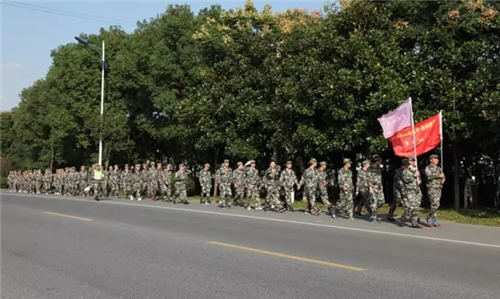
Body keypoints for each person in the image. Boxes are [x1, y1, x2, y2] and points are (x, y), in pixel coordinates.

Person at [401, 157, 422, 228]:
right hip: (410, 190)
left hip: (417, 190)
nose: (415, 162)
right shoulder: (406, 170)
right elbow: (405, 179)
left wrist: (419, 180)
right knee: (411, 207)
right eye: (413, 161)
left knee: (417, 207)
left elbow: (419, 180)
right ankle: (403, 218)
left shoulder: (416, 170)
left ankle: (414, 223)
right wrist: (414, 175)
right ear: (410, 162)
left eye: (415, 161)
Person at [425, 154, 445, 227]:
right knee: (435, 204)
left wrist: (443, 179)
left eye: (437, 159)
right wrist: (437, 176)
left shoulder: (439, 168)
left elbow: (443, 176)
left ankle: (433, 220)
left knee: (437, 204)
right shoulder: (428, 168)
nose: (437, 160)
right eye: (435, 158)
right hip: (432, 188)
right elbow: (428, 176)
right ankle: (429, 218)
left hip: (438, 188)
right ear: (431, 160)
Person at [367, 155, 385, 222]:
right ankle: (374, 216)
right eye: (379, 160)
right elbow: (368, 179)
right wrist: (370, 188)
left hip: (379, 188)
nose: (380, 161)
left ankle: (374, 211)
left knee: (381, 201)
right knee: (374, 202)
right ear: (376, 161)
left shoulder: (379, 168)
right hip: (373, 188)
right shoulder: (369, 169)